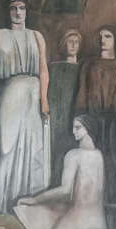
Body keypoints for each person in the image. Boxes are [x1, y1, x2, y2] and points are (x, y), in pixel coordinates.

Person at [0, 0, 50, 214]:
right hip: (8, 93)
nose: (18, 12)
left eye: (22, 8)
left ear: (27, 11)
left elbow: (43, 68)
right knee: (6, 148)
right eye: (13, 8)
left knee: (33, 149)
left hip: (33, 94)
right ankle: (2, 204)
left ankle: (27, 205)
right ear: (8, 12)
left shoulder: (37, 36)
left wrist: (44, 98)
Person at [74, 25, 116, 204]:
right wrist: (82, 120)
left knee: (115, 162)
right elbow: (82, 96)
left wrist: (113, 116)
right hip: (93, 122)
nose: (103, 40)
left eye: (108, 36)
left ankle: (114, 199)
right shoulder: (89, 64)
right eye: (100, 36)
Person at [48, 30, 82, 186]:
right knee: (55, 149)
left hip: (74, 114)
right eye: (70, 41)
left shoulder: (83, 68)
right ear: (63, 45)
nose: (74, 45)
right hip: (56, 115)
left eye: (76, 41)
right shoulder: (53, 68)